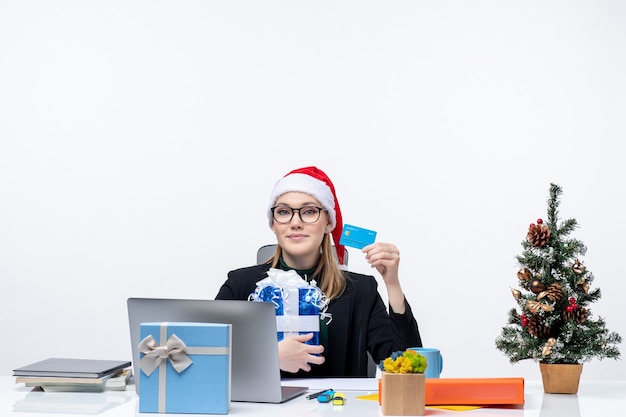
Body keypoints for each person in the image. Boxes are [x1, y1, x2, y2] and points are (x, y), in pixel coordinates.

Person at [215, 166, 422, 377]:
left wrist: (392, 284)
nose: (295, 223)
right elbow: (201, 352)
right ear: (273, 223)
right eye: (284, 212)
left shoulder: (360, 291)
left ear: (328, 222)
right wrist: (269, 356)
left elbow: (408, 370)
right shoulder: (241, 284)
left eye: (309, 212)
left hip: (337, 408)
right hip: (262, 409)